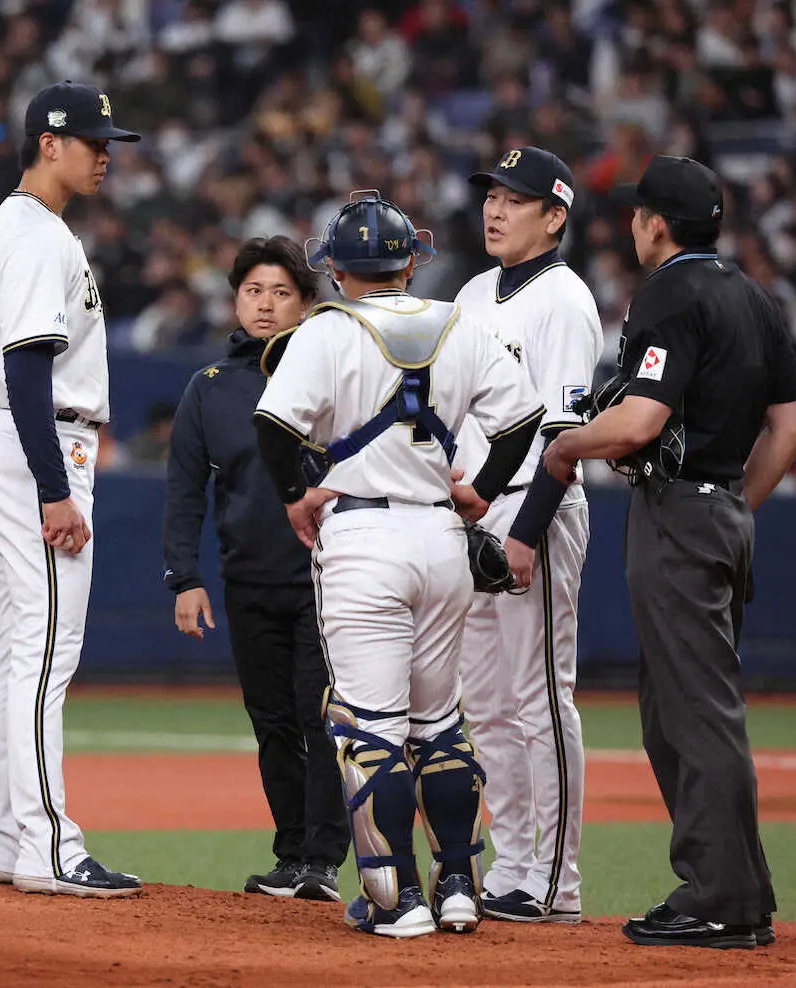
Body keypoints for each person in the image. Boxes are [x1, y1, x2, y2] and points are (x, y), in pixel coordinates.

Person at [254, 192, 546, 938]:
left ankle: (397, 899)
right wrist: (482, 492)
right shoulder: (459, 322)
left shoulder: (326, 329)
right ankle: (459, 886)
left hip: (362, 537)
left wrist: (294, 497)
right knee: (439, 723)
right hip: (442, 538)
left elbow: (274, 427)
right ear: (410, 262)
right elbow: (522, 422)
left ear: (335, 270)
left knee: (371, 729)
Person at [543, 155, 796, 949]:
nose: (632, 223)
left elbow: (638, 423)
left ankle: (724, 900)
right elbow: (790, 429)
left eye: (638, 212)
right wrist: (732, 506)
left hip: (680, 512)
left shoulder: (669, 292)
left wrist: (566, 447)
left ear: (657, 223)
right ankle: (727, 889)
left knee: (695, 714)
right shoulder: (753, 296)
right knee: (673, 714)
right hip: (719, 510)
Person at [0, 81, 144, 897]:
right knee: (44, 649)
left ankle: (11, 837)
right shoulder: (38, 235)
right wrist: (52, 486)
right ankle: (50, 845)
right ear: (48, 143)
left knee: (18, 648)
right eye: (93, 142)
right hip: (39, 442)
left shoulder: (16, 225)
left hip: (17, 438)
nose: (105, 155)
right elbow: (28, 366)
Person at [163, 236, 350, 901]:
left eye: (280, 292)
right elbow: (185, 488)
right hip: (248, 580)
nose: (265, 304)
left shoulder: (335, 374)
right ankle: (292, 854)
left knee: (319, 718)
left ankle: (323, 861)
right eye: (253, 291)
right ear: (235, 300)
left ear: (306, 304)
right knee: (272, 722)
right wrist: (185, 578)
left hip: (328, 576)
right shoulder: (209, 387)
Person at [453, 147, 601, 923]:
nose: (495, 209)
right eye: (492, 195)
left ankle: (554, 880)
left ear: (555, 216)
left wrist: (528, 532)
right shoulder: (473, 291)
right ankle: (511, 864)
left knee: (540, 697)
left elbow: (564, 436)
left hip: (533, 510)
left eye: (515, 198)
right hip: (473, 509)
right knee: (484, 702)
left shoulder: (565, 301)